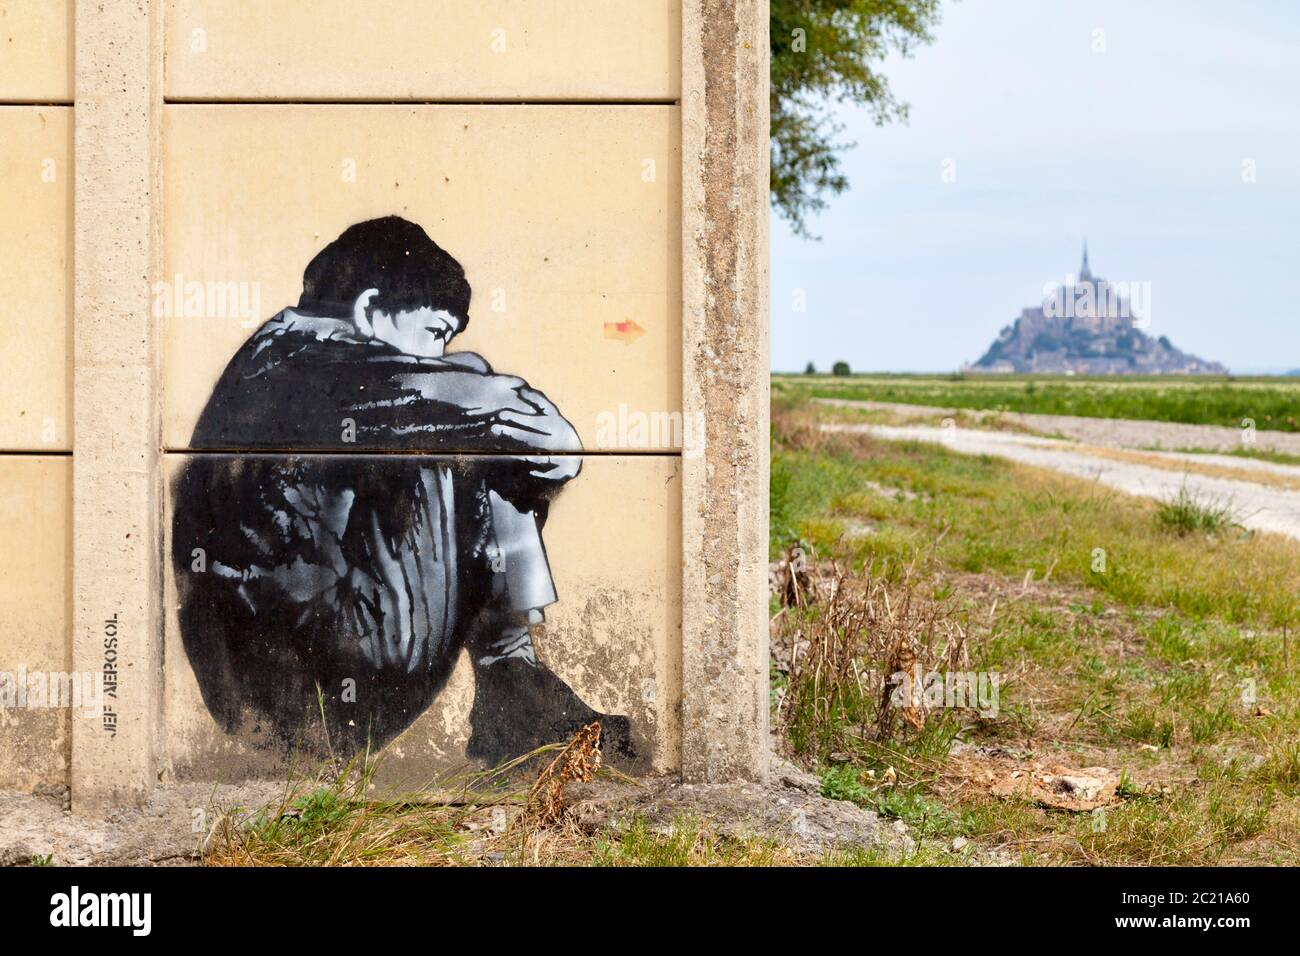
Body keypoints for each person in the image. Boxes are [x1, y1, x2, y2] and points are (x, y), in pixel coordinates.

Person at [172, 216, 638, 767]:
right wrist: (533, 437)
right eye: (434, 332)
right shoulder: (309, 365)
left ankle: (514, 674)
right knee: (456, 425)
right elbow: (530, 429)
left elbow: (508, 419)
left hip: (288, 657)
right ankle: (511, 679)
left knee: (459, 402)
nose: (437, 355)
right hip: (304, 680)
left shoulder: (281, 354)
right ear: (370, 310)